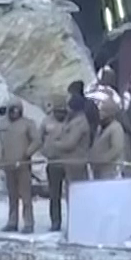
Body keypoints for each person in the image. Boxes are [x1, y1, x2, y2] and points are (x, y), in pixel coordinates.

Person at [41, 99, 89, 232]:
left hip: (69, 163)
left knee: (71, 194)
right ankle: (55, 222)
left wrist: (58, 144)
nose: (60, 114)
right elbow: (40, 139)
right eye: (58, 111)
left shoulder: (72, 122)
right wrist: (46, 151)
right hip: (53, 162)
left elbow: (71, 142)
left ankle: (74, 222)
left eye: (63, 111)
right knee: (54, 195)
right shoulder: (46, 121)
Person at [0, 99, 41, 234]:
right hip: (8, 165)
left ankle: (28, 223)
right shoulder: (2, 124)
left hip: (23, 165)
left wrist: (27, 153)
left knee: (26, 196)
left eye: (17, 110)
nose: (15, 112)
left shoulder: (28, 124)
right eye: (12, 110)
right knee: (12, 196)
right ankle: (12, 222)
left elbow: (37, 140)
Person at [89, 98, 128, 179]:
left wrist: (102, 160)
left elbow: (116, 149)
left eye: (103, 111)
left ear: (110, 113)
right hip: (99, 169)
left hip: (112, 170)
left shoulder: (116, 128)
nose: (100, 113)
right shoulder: (101, 127)